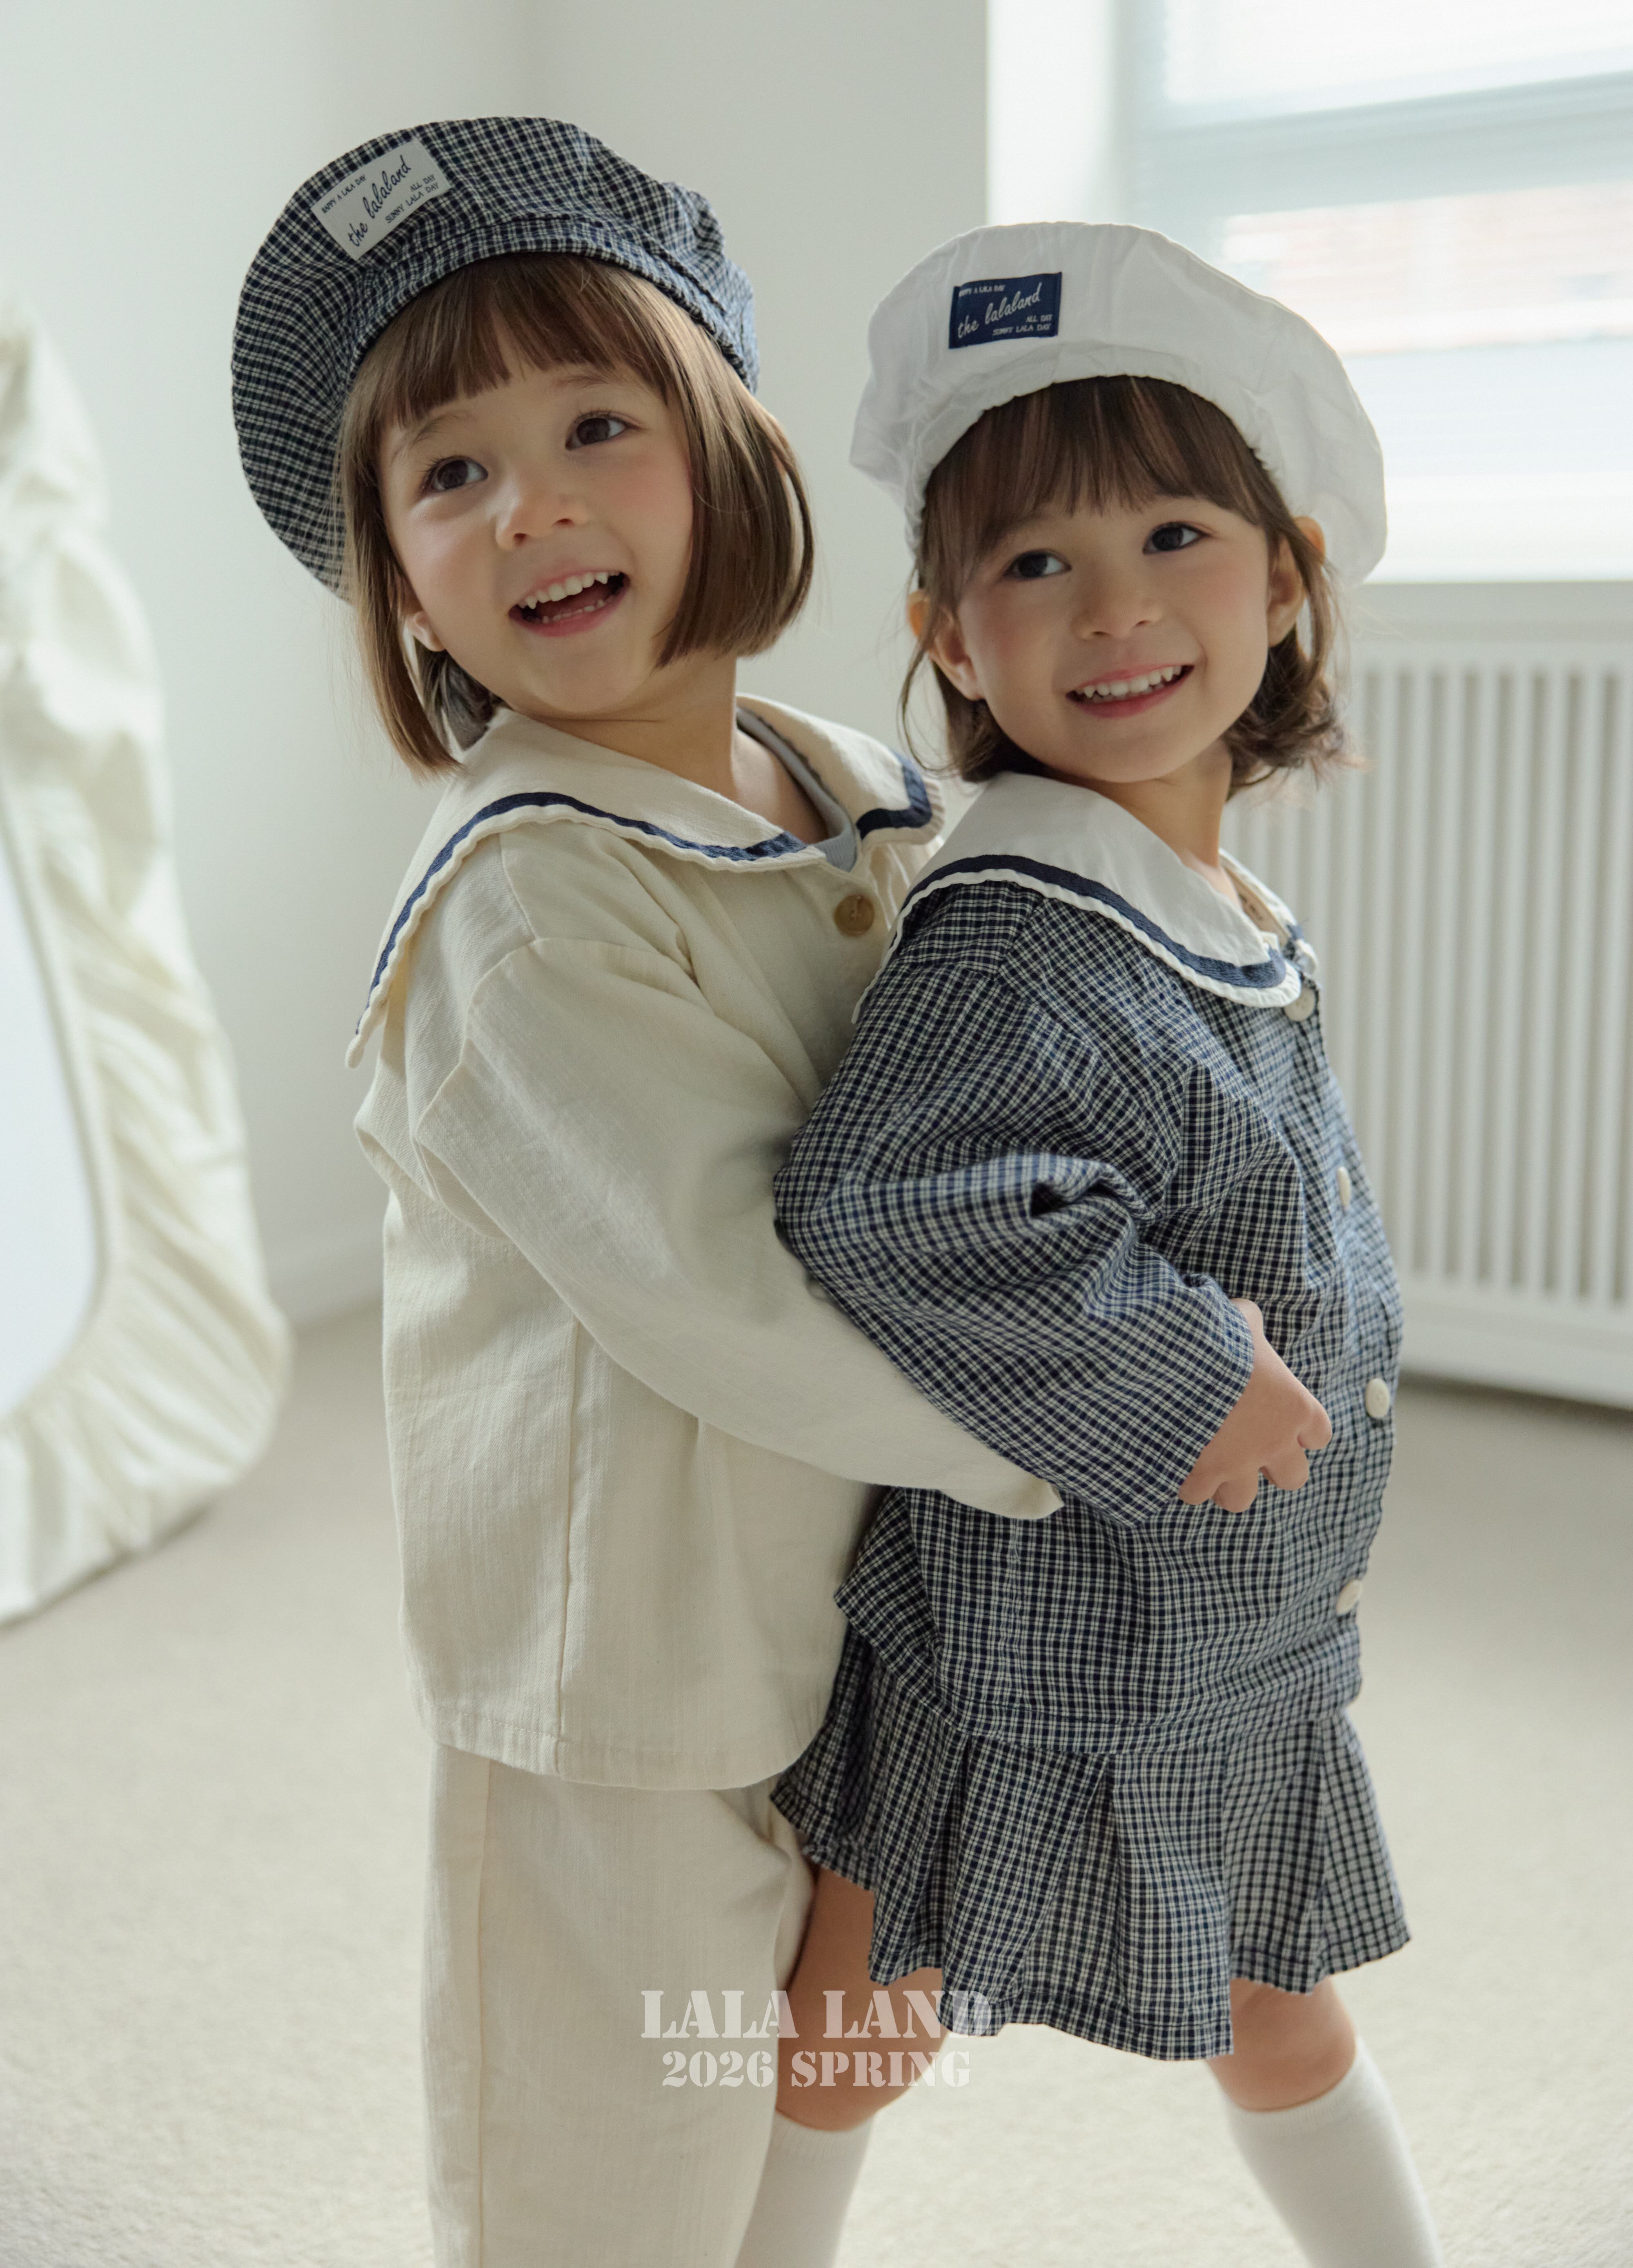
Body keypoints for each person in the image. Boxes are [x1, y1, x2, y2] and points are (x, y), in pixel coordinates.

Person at [231, 121, 1061, 2268]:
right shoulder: (524, 908)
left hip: (853, 1604)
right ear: (396, 576)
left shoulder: (860, 791)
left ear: (727, 452)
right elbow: (729, 1296)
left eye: (597, 423)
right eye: (451, 473)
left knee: (822, 2063)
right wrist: (1082, 1438)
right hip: (627, 1667)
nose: (534, 504)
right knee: (613, 2166)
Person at [768, 223, 1445, 2267]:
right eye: (1035, 562)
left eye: (1173, 535)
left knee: (1275, 2010)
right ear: (952, 640)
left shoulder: (1203, 905)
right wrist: (1182, 1372)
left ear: (1285, 577)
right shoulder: (1016, 933)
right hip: (1042, 1638)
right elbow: (895, 1199)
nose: (1116, 606)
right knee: (848, 2025)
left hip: (1222, 1631)